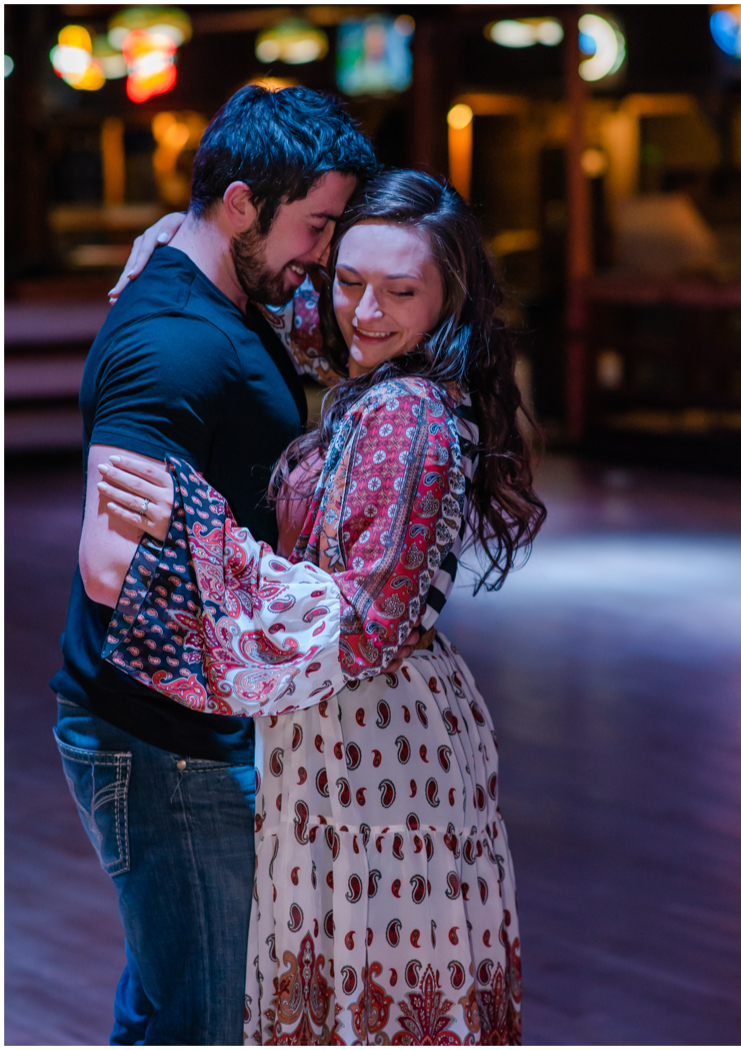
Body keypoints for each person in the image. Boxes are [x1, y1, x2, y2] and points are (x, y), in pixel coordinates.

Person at [93, 168, 543, 1043]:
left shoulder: (409, 411)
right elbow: (277, 298)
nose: (364, 312)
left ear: (449, 296)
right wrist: (180, 241)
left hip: (380, 742)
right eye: (348, 280)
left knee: (372, 992)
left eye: (400, 291)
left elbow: (362, 620)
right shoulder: (376, 366)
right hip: (342, 727)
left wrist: (192, 520)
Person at [53, 84, 377, 1044]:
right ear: (241, 204)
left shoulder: (225, 291)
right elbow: (112, 566)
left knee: (175, 999)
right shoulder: (173, 342)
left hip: (182, 729)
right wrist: (295, 600)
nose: (320, 255)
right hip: (160, 746)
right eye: (314, 228)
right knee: (202, 1019)